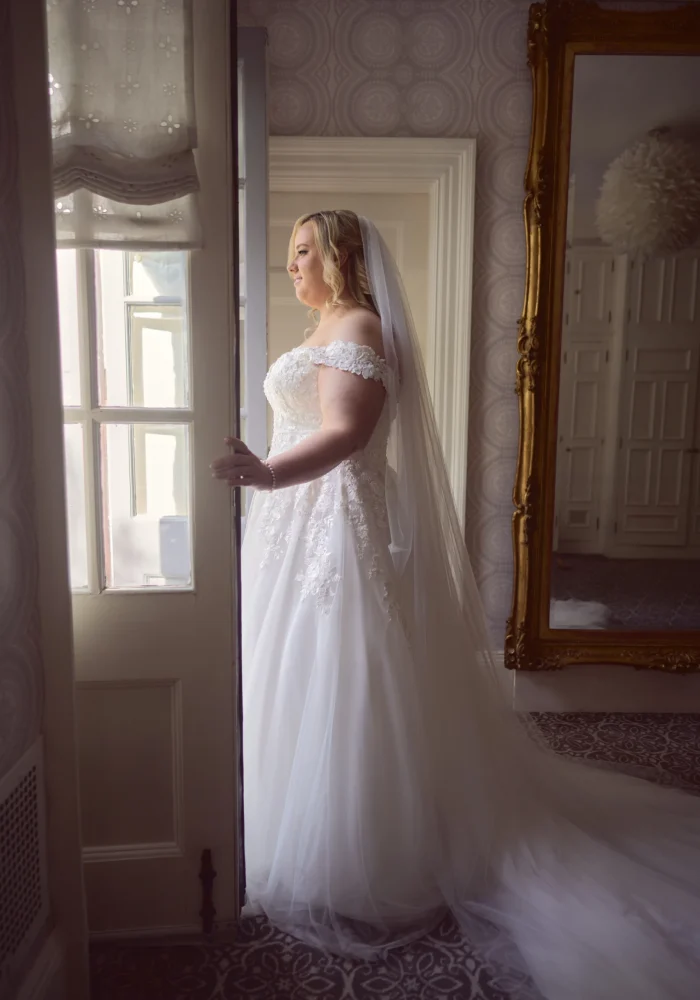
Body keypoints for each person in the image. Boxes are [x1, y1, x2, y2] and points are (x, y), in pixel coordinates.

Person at [212, 210, 700, 999]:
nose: (291, 265)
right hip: (294, 526)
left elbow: (343, 432)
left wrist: (266, 475)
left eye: (303, 251)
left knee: (339, 667)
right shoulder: (328, 325)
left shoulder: (361, 327)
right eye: (290, 252)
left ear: (340, 257)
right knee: (286, 665)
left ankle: (360, 846)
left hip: (332, 524)